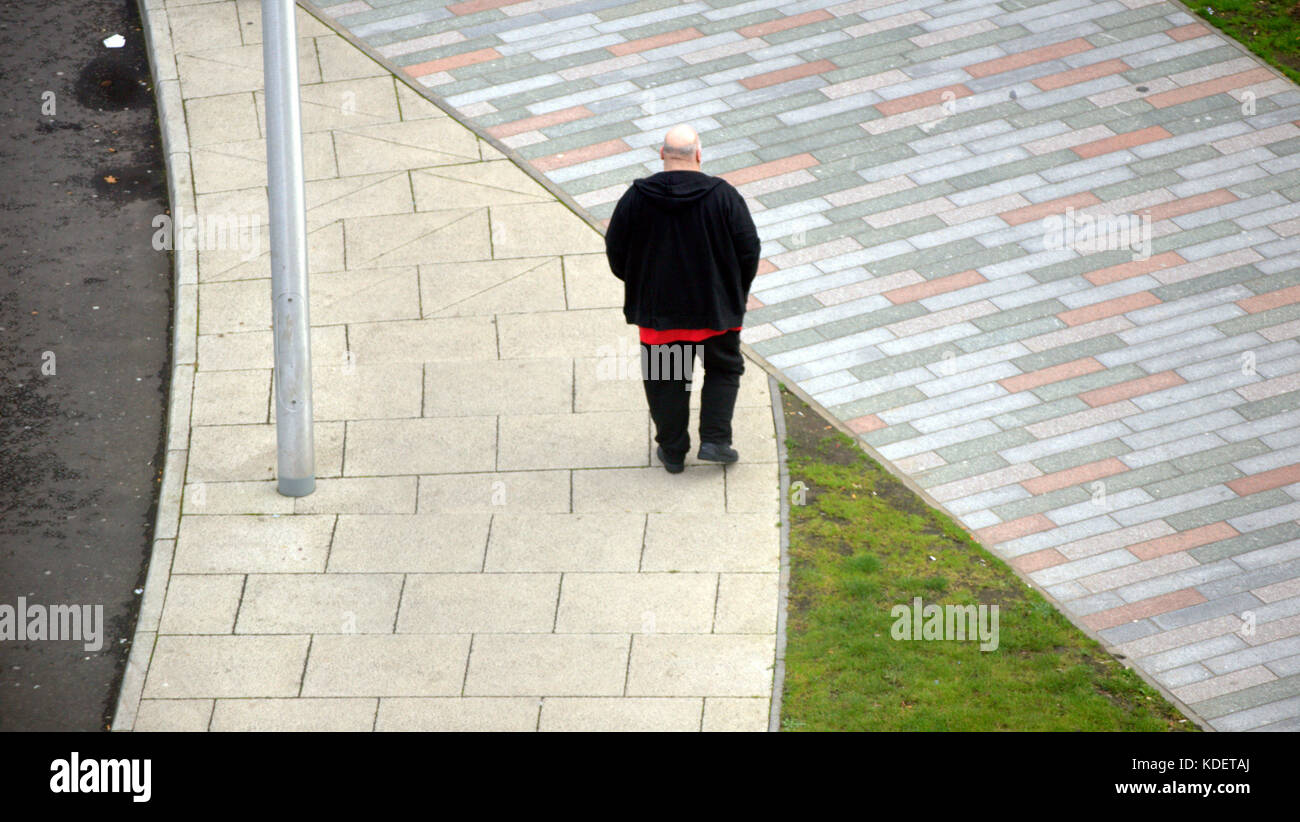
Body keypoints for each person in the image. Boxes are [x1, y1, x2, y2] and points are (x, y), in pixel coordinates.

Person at [604, 124, 761, 474]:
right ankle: (715, 442)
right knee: (723, 369)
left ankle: (673, 452)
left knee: (666, 379)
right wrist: (734, 291)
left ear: (662, 154)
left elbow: (616, 249)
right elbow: (748, 249)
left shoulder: (637, 198)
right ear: (699, 155)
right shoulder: (724, 196)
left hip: (659, 314)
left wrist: (639, 283)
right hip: (715, 311)